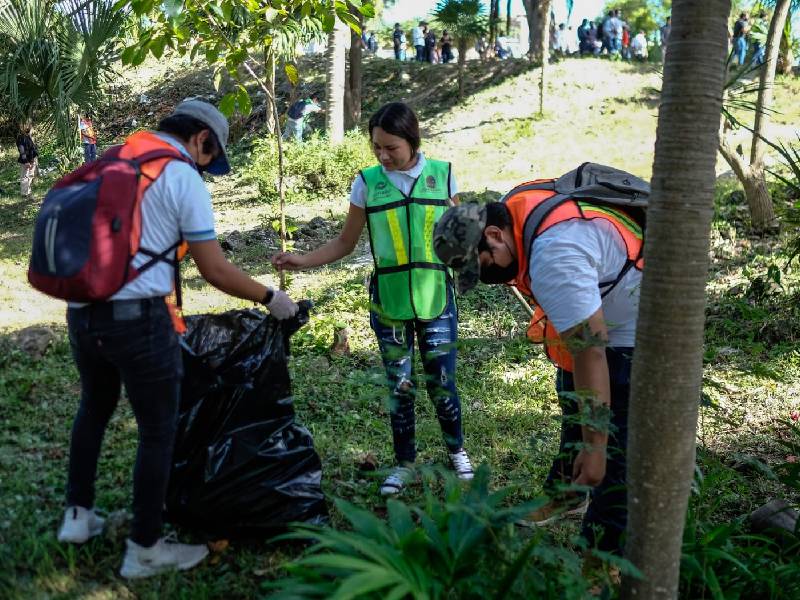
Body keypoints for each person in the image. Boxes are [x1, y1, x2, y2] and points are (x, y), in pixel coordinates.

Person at [56, 100, 300, 578]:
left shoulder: (113, 158)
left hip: (83, 312)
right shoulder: (180, 173)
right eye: (210, 158)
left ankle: (78, 517)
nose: (206, 170)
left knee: (94, 407)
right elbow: (215, 269)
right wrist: (270, 296)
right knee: (157, 429)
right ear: (201, 140)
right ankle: (145, 547)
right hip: (139, 322)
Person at [432, 178, 644, 556]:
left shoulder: (553, 255)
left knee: (613, 447)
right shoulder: (512, 209)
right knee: (573, 393)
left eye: (482, 266)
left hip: (634, 320)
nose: (487, 279)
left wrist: (595, 448)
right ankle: (568, 492)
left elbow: (591, 352)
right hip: (599, 300)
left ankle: (604, 555)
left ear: (494, 234)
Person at [272, 102, 474, 496]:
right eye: (376, 147)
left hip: (437, 299)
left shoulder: (442, 175)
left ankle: (457, 451)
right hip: (390, 302)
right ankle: (404, 464)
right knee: (399, 386)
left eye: (391, 147)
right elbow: (346, 243)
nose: (383, 155)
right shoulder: (367, 182)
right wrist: (301, 261)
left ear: (412, 141)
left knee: (443, 382)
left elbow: (461, 236)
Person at [17, 120, 38, 199]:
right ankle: (24, 194)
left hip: (31, 159)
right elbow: (22, 150)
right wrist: (26, 161)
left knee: (30, 176)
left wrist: (32, 160)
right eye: (26, 125)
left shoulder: (28, 136)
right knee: (25, 177)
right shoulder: (21, 137)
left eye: (29, 125)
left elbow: (32, 149)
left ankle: (28, 192)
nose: (28, 127)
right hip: (25, 160)